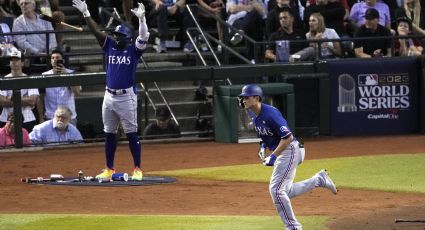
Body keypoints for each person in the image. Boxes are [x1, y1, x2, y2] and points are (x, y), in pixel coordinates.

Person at [237, 84, 337, 230]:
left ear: (257, 98)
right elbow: (265, 133)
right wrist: (263, 146)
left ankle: (293, 226)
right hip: (285, 151)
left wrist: (273, 156)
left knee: (276, 190)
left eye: (246, 97)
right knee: (285, 191)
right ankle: (319, 179)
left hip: (290, 150)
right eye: (243, 97)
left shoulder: (270, 114)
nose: (243, 100)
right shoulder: (252, 112)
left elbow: (288, 137)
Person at [72, 0, 148, 181]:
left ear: (127, 38)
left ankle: (137, 168)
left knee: (131, 133)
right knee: (109, 133)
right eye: (115, 34)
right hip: (108, 96)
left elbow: (144, 37)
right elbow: (96, 31)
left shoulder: (133, 51)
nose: (115, 37)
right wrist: (86, 14)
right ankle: (109, 169)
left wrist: (142, 20)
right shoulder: (109, 47)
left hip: (126, 97)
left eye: (119, 35)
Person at [38, 48, 81, 126]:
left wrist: (67, 76)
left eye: (57, 58)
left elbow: (77, 92)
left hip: (68, 118)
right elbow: (40, 98)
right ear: (50, 61)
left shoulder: (71, 73)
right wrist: (41, 118)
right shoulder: (44, 75)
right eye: (53, 58)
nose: (55, 60)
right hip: (50, 117)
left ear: (63, 61)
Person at [0, 49, 39, 132]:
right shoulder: (3, 80)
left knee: (27, 143)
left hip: (27, 119)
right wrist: (24, 98)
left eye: (17, 60)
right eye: (12, 60)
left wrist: (10, 98)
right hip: (5, 119)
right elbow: (2, 102)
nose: (14, 62)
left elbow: (32, 101)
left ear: (22, 63)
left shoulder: (30, 79)